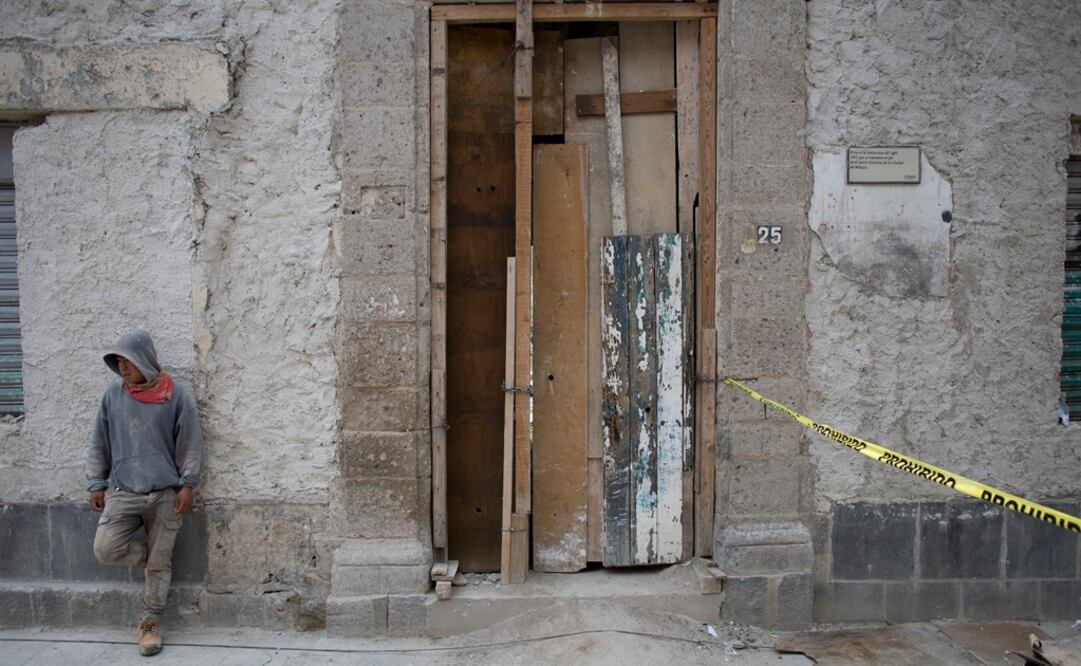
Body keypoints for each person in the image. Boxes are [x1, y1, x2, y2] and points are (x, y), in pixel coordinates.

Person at [85, 329, 203, 657]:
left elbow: (191, 442)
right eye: (118, 361)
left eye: (129, 360)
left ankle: (150, 622)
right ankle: (150, 561)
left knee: (161, 562)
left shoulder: (177, 396)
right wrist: (96, 482)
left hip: (166, 494)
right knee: (105, 549)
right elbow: (99, 442)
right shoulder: (112, 397)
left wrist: (188, 484)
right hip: (122, 491)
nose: (123, 367)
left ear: (146, 360)